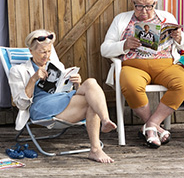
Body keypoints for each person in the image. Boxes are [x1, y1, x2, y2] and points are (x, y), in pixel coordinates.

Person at [100, 0, 184, 148]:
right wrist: (124, 45)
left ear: (155, 3)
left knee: (183, 83)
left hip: (166, 65)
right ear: (133, 3)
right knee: (129, 83)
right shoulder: (121, 19)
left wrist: (179, 39)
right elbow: (104, 49)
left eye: (148, 6)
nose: (144, 11)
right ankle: (154, 128)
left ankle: (151, 125)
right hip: (134, 66)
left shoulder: (167, 17)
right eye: (139, 6)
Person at [8, 29, 117, 163]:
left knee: (90, 83)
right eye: (42, 52)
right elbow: (21, 104)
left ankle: (105, 121)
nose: (46, 56)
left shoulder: (56, 66)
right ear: (31, 51)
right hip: (40, 107)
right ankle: (96, 149)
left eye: (48, 52)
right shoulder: (17, 70)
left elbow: (64, 91)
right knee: (90, 101)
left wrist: (76, 85)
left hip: (60, 101)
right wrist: (33, 79)